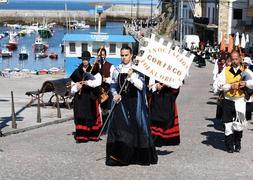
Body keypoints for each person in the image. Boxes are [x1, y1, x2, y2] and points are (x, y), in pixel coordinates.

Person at [105, 46, 158, 166]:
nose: (124, 58)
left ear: (131, 55)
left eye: (126, 55)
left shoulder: (137, 70)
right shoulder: (116, 69)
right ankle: (120, 156)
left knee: (136, 126)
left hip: (135, 102)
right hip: (121, 102)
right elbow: (113, 86)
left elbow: (141, 87)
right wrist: (115, 94)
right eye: (122, 55)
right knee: (120, 127)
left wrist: (132, 77)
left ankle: (138, 156)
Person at [215, 51, 253, 153]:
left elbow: (252, 82)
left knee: (239, 123)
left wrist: (245, 83)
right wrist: (230, 86)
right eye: (233, 59)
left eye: (236, 59)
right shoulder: (226, 70)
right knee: (228, 124)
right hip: (228, 100)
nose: (235, 61)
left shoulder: (245, 70)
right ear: (230, 60)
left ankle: (237, 142)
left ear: (240, 59)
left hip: (240, 100)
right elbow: (219, 85)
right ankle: (229, 145)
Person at [70, 51, 102, 143]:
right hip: (80, 98)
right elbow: (72, 87)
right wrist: (76, 87)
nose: (85, 61)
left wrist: (87, 83)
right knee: (80, 115)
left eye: (87, 59)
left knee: (90, 115)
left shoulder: (94, 70)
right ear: (81, 60)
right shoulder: (77, 72)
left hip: (90, 97)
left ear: (89, 60)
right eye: (84, 59)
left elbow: (98, 83)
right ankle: (81, 136)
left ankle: (91, 135)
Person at [148, 78, 180, 146]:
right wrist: (156, 86)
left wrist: (170, 84)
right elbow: (149, 84)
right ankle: (156, 137)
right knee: (156, 116)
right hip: (156, 96)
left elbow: (178, 82)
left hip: (168, 96)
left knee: (168, 117)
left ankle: (168, 138)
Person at [96, 48, 115, 123]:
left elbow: (113, 79)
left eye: (103, 55)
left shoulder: (111, 66)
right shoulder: (94, 66)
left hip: (106, 91)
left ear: (106, 56)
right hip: (97, 91)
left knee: (106, 110)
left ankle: (107, 127)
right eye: (100, 55)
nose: (102, 57)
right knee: (97, 110)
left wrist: (106, 79)